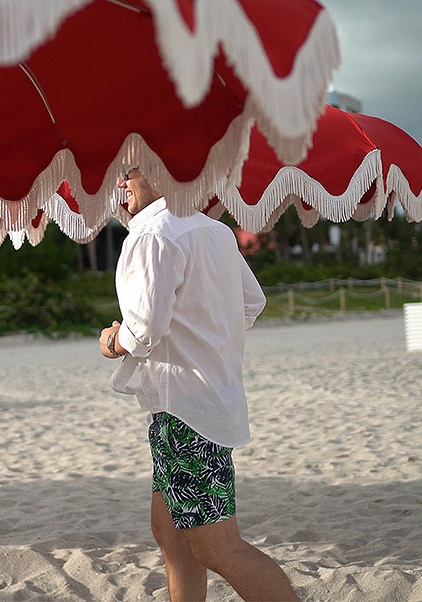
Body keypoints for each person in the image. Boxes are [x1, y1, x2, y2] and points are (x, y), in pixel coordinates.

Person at [98, 167, 298, 601]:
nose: (119, 183)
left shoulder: (152, 234)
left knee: (216, 545)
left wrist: (113, 341)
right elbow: (252, 302)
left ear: (157, 172)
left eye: (127, 173)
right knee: (169, 532)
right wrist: (207, 338)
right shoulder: (214, 230)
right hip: (205, 400)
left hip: (184, 407)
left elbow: (145, 329)